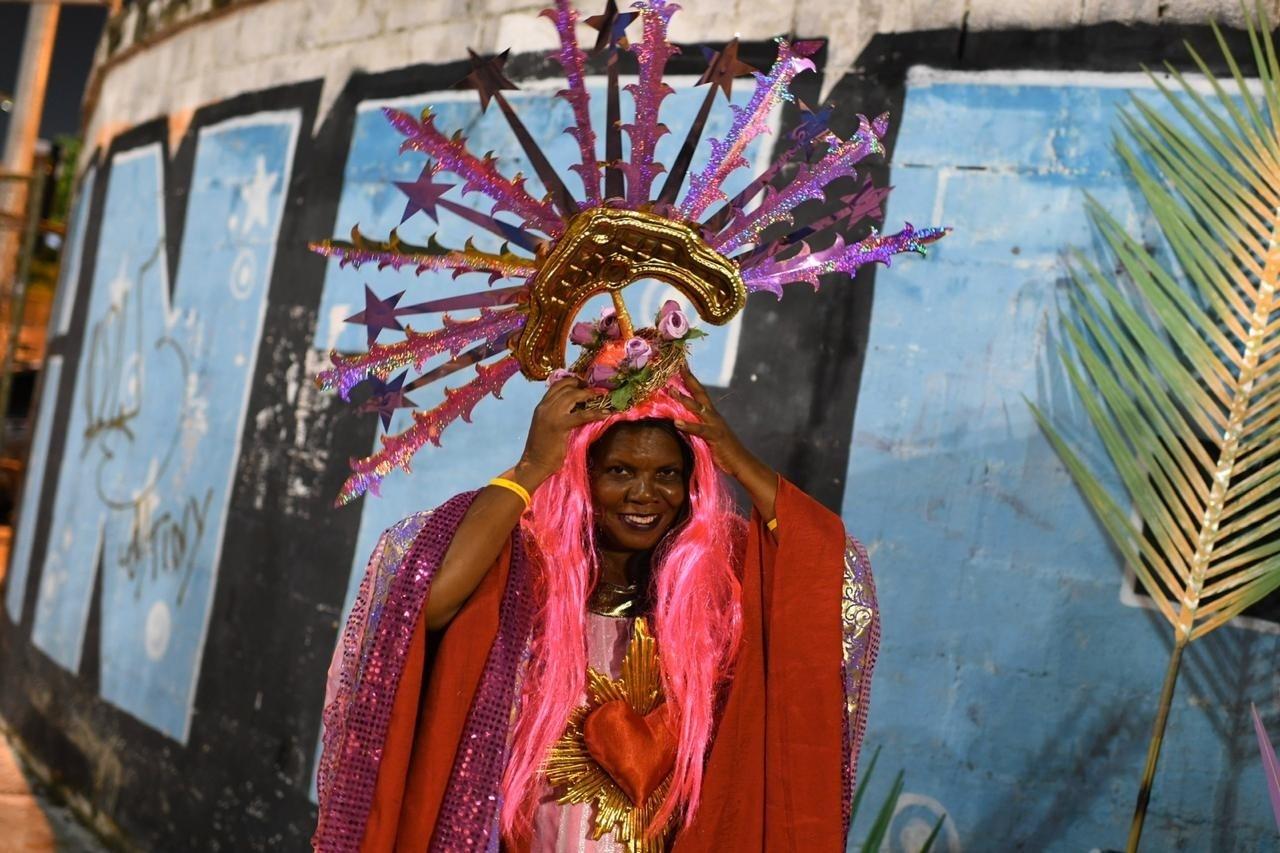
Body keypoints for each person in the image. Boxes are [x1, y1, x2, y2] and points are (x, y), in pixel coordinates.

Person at [314, 367, 880, 852]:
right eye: (619, 471)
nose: (644, 494)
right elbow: (427, 607)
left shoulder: (722, 585)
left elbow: (825, 580)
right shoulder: (523, 566)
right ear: (582, 475)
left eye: (667, 474)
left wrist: (737, 459)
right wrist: (533, 465)